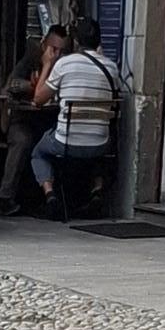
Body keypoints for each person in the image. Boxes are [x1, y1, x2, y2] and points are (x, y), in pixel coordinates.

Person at [31, 17, 120, 214]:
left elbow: (38, 99)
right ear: (99, 41)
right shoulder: (111, 68)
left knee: (38, 152)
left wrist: (47, 64)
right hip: (100, 144)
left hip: (67, 143)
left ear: (76, 42)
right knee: (97, 153)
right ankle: (96, 192)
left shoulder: (65, 64)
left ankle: (51, 196)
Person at [0, 27, 64, 212]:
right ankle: (6, 196)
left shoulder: (64, 65)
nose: (57, 55)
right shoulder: (31, 59)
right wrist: (32, 84)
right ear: (44, 45)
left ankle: (52, 197)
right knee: (22, 140)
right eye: (53, 49)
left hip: (48, 119)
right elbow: (10, 85)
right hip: (22, 118)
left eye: (61, 51)